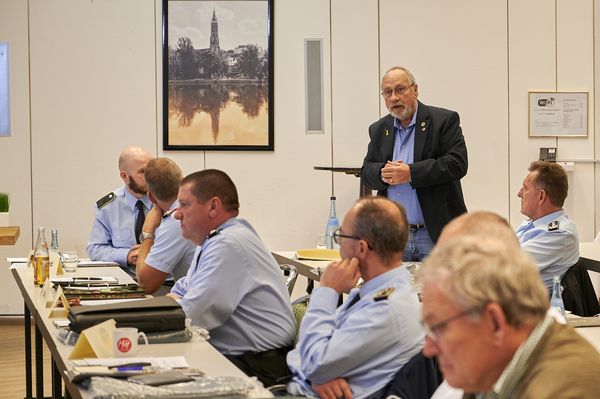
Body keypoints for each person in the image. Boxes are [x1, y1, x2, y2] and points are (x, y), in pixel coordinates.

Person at [418, 236, 600, 398]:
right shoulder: (491, 361)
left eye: (439, 329)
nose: (429, 348)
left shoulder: (567, 389)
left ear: (494, 322)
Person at [167, 169, 295, 386]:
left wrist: (176, 303)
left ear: (213, 207)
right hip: (242, 357)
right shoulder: (215, 239)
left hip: (258, 366)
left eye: (184, 205)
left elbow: (191, 316)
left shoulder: (227, 244)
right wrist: (178, 301)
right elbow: (182, 289)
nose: (176, 214)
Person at [286, 197, 423, 399]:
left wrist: (327, 291)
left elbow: (312, 361)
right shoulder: (374, 292)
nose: (339, 243)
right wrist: (315, 375)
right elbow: (302, 356)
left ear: (361, 248)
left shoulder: (385, 308)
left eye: (341, 236)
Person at [361, 66, 468, 261]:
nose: (394, 97)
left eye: (400, 89)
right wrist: (382, 174)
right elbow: (367, 171)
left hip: (434, 234)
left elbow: (457, 163)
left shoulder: (443, 121)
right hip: (394, 236)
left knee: (439, 292)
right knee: (395, 291)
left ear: (415, 90)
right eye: (388, 92)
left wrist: (410, 173)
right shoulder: (379, 129)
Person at [87, 146, 153, 274]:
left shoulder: (166, 200)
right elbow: (94, 248)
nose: (150, 176)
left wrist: (153, 249)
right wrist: (126, 255)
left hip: (165, 281)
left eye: (152, 170)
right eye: (143, 171)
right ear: (125, 176)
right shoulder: (108, 207)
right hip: (127, 281)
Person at [135, 158, 195, 294]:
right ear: (183, 181)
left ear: (151, 197)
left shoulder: (175, 221)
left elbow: (145, 285)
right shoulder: (197, 205)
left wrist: (147, 232)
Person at [516, 160, 579, 290]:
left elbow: (506, 266)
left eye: (525, 188)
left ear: (541, 196)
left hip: (524, 307)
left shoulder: (560, 234)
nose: (519, 193)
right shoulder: (531, 224)